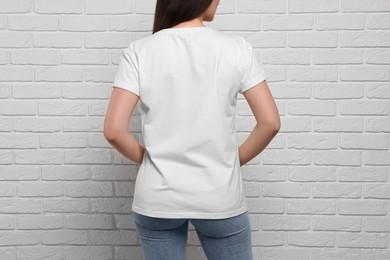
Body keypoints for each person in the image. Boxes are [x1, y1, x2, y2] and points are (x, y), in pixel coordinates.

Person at [103, 0, 280, 259]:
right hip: (219, 196)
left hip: (157, 199)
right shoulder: (236, 49)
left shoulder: (140, 51)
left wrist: (150, 162)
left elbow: (114, 130)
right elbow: (270, 123)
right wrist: (231, 161)